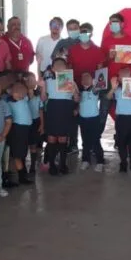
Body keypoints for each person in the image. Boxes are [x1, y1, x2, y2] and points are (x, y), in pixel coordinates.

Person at [67, 22, 105, 152]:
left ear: (92, 34)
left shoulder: (98, 50)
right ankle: (73, 143)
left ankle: (93, 144)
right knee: (74, 114)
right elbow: (69, 68)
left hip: (91, 88)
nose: (84, 34)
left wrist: (96, 87)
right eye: (82, 31)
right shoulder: (73, 50)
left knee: (91, 115)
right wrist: (71, 87)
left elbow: (100, 71)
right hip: (75, 86)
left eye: (87, 32)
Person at [39, 57, 78, 175]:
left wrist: (75, 92)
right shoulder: (48, 81)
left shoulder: (71, 81)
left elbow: (77, 99)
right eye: (57, 65)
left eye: (62, 65)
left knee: (63, 139)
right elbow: (43, 98)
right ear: (53, 68)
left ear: (66, 68)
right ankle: (51, 165)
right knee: (51, 139)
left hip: (65, 110)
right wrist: (43, 86)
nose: (60, 67)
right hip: (52, 110)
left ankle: (62, 164)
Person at [107, 68, 131, 173]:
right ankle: (123, 162)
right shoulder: (117, 89)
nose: (121, 77)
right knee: (121, 142)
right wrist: (113, 89)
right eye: (120, 75)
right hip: (121, 119)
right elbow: (108, 97)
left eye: (125, 75)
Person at [7, 81, 35, 184]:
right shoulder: (10, 103)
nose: (21, 92)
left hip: (26, 129)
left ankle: (24, 174)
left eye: (23, 90)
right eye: (17, 90)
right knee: (18, 155)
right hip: (17, 130)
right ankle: (22, 177)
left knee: (22, 153)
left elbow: (30, 91)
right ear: (11, 92)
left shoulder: (25, 99)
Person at [78, 71, 104, 172]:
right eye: (83, 78)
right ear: (81, 81)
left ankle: (100, 162)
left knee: (95, 141)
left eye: (87, 77)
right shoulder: (80, 92)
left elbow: (97, 87)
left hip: (94, 119)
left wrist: (100, 73)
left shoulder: (94, 90)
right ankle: (85, 160)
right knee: (85, 142)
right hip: (83, 120)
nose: (85, 79)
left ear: (92, 80)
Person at [24, 72, 45, 174]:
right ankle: (23, 167)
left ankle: (32, 165)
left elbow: (40, 110)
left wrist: (42, 124)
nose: (31, 82)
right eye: (29, 80)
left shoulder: (38, 96)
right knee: (24, 146)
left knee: (33, 145)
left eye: (33, 80)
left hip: (35, 122)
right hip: (24, 123)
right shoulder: (22, 96)